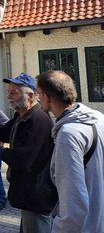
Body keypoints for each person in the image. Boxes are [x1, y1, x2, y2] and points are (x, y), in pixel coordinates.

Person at [0, 73, 54, 233]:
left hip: (35, 196)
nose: (8, 96)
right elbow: (4, 132)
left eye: (14, 92)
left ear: (31, 95)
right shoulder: (21, 116)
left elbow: (22, 160)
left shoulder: (37, 121)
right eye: (8, 91)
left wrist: (2, 152)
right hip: (27, 194)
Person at [36, 70, 104, 232]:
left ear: (47, 97)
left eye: (38, 94)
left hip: (87, 226)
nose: (38, 99)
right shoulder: (98, 118)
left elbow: (73, 200)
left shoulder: (68, 134)